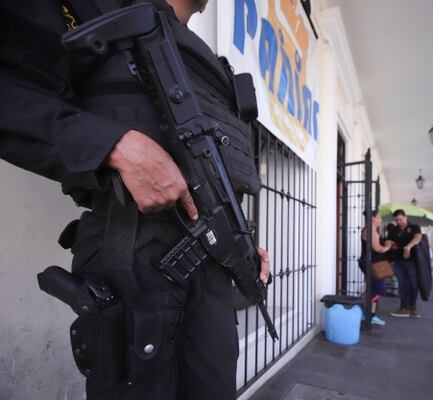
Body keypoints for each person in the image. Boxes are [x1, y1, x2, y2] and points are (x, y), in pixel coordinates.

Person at [0, 1, 270, 399]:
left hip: (212, 264)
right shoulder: (92, 10)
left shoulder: (213, 64)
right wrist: (113, 147)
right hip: (132, 249)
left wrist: (241, 243)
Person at [358, 211, 393, 326]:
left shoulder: (371, 230)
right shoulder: (370, 231)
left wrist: (387, 245)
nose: (381, 219)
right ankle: (363, 307)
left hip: (374, 264)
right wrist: (387, 246)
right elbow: (378, 249)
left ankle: (371, 315)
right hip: (372, 264)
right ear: (373, 218)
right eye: (379, 217)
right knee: (380, 289)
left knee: (374, 289)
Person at [388, 209, 422, 318]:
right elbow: (389, 242)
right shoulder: (393, 230)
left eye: (401, 219)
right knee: (402, 283)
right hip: (398, 260)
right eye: (397, 220)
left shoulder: (414, 227)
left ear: (405, 217)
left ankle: (412, 307)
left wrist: (408, 246)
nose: (399, 222)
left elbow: (418, 237)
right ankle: (403, 307)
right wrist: (391, 245)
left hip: (411, 261)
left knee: (413, 283)